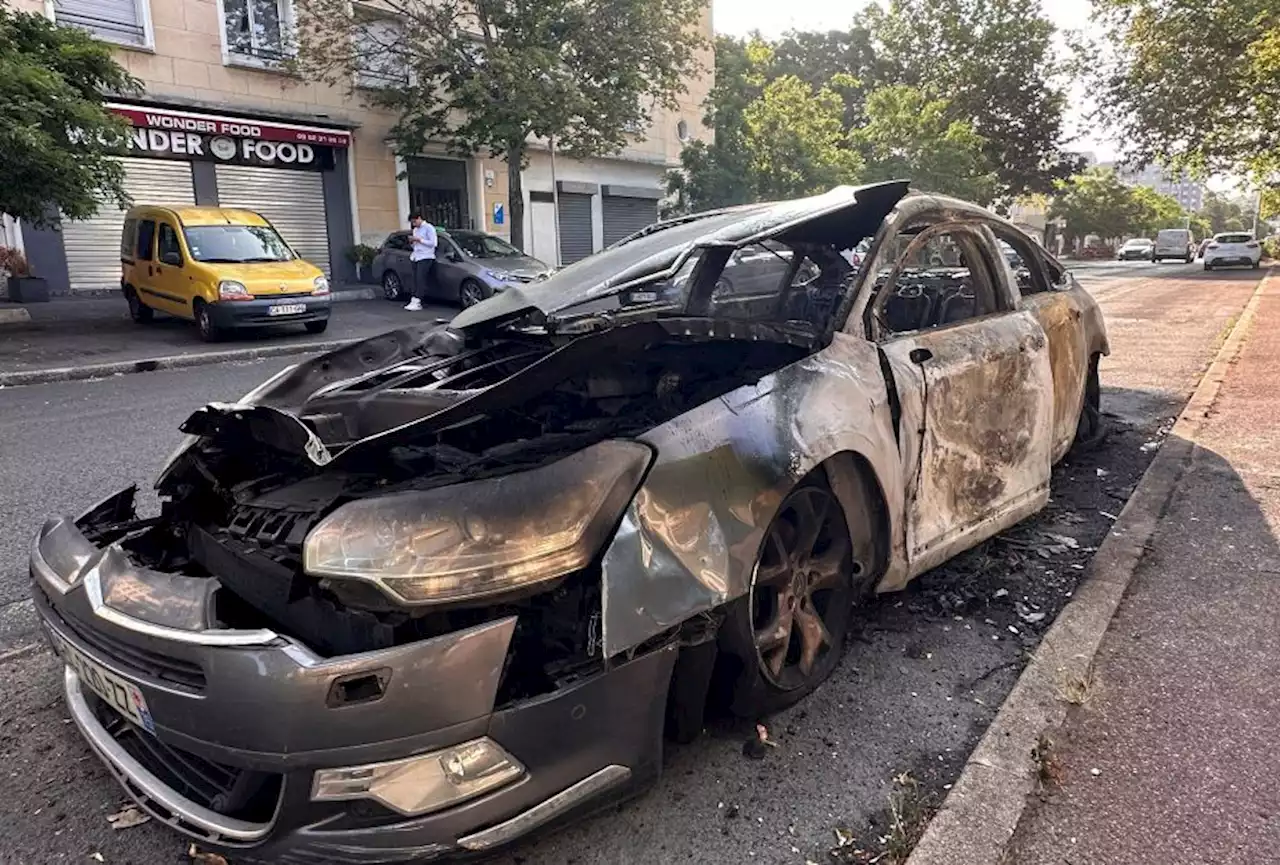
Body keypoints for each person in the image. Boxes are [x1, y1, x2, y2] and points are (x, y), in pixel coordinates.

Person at [405, 211, 437, 311]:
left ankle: (418, 300)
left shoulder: (429, 228)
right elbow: (415, 245)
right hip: (416, 256)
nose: (414, 224)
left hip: (426, 256)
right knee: (415, 279)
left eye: (415, 222)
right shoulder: (415, 230)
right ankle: (413, 299)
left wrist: (419, 240)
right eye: (412, 223)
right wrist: (412, 242)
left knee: (420, 278)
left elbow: (433, 243)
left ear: (419, 218)